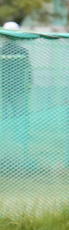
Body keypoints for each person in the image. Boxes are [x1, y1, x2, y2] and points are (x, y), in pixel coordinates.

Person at [0, 21, 32, 159]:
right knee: (20, 117)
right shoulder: (23, 52)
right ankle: (20, 144)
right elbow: (29, 72)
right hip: (19, 90)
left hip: (4, 90)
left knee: (3, 117)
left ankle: (4, 141)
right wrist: (28, 86)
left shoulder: (1, 51)